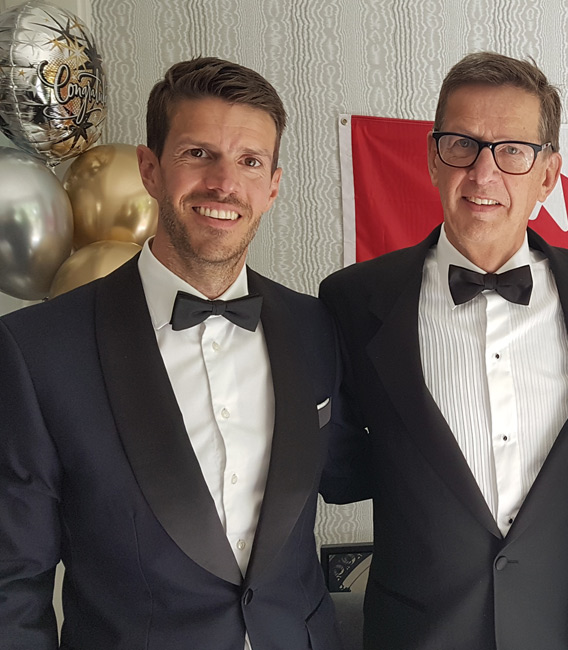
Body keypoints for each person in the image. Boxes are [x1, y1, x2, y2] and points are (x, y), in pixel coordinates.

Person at [0, 57, 344, 650]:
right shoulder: (38, 352)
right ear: (149, 169)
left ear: (273, 186)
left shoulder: (317, 326)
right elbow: (13, 585)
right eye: (198, 154)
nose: (224, 183)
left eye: (249, 161)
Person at [320, 51, 568, 650]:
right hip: (416, 632)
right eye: (462, 145)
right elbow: (339, 469)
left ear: (548, 174)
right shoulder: (351, 299)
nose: (483, 174)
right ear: (432, 156)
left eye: (512, 150)